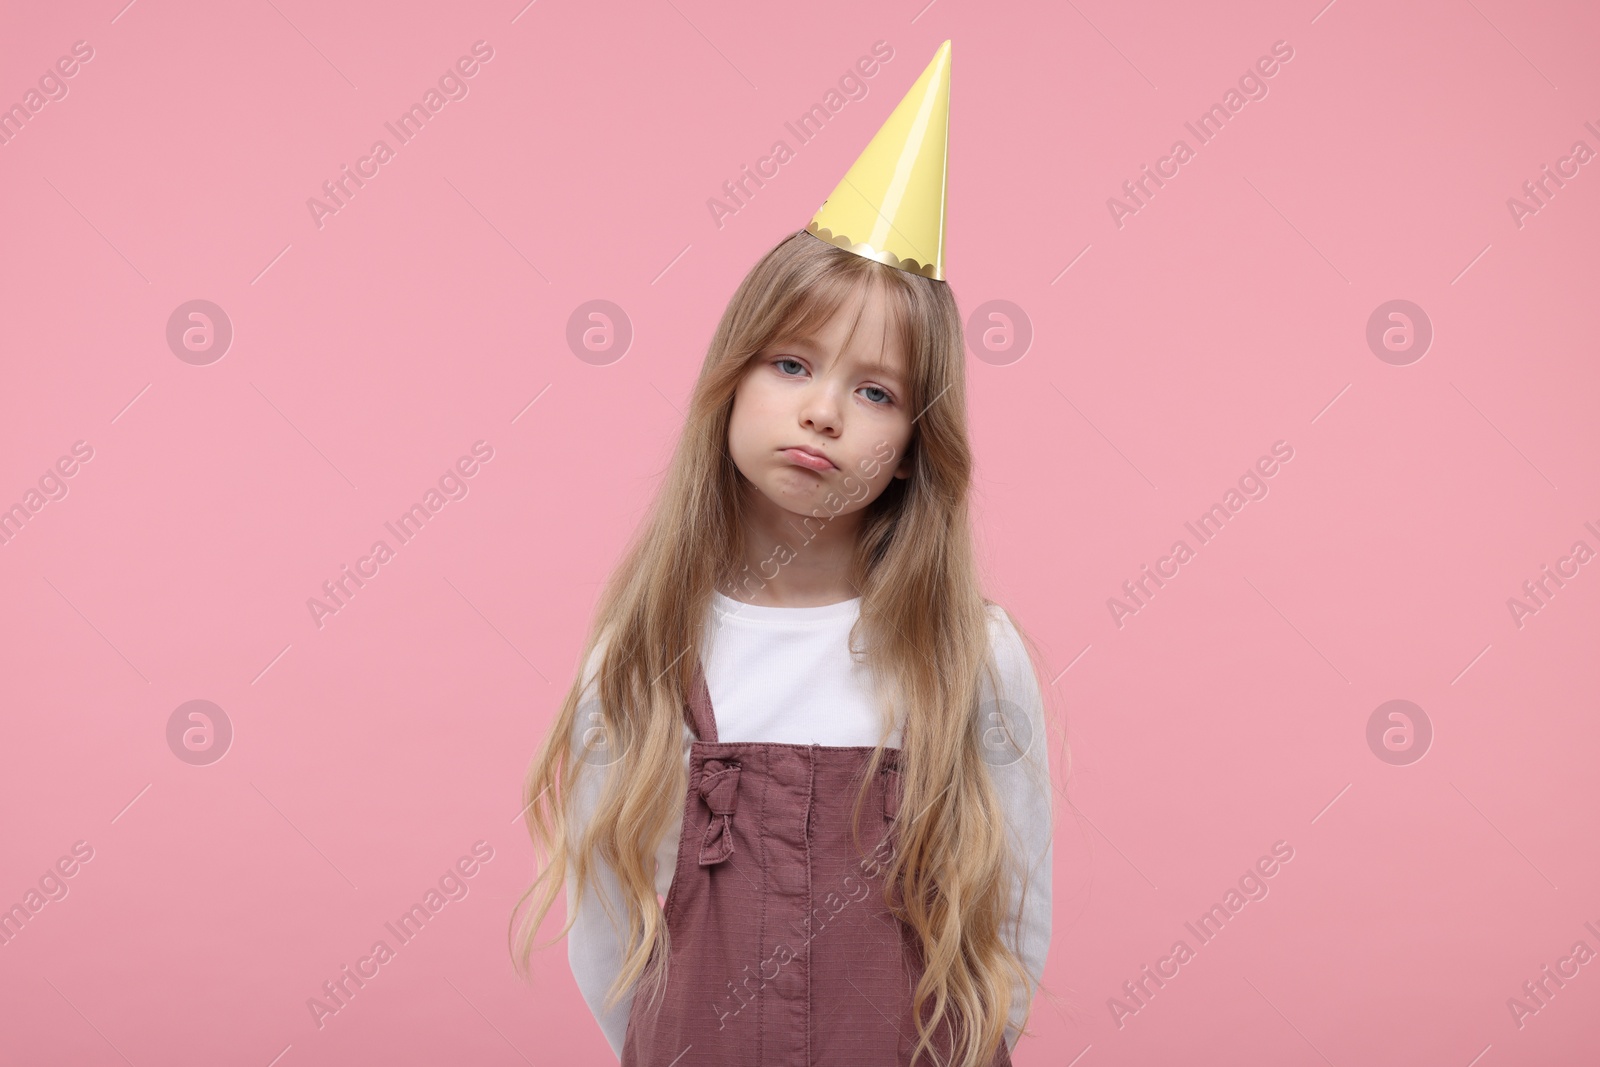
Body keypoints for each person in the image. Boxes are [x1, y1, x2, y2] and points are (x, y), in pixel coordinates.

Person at [512, 40, 1056, 1066]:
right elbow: (609, 932)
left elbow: (1010, 911)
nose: (822, 411)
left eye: (875, 390)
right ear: (729, 382)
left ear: (911, 447)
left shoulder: (969, 655)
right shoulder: (648, 654)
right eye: (793, 362)